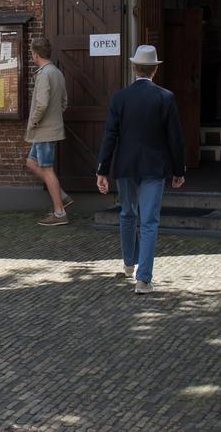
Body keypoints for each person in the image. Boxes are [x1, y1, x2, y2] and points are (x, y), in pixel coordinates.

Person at [96, 45, 186, 294]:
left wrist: (102, 169)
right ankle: (143, 279)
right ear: (155, 70)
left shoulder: (120, 98)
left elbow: (110, 136)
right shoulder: (165, 97)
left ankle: (128, 264)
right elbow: (175, 138)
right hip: (154, 167)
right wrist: (179, 170)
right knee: (149, 221)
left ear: (134, 67)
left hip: (125, 165)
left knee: (127, 214)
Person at [25, 38, 74, 226]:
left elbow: (42, 103)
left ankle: (60, 213)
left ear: (35, 54)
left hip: (44, 130)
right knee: (31, 162)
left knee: (47, 170)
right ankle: (62, 196)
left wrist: (35, 121)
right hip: (47, 130)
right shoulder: (57, 72)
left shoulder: (45, 74)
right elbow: (64, 102)